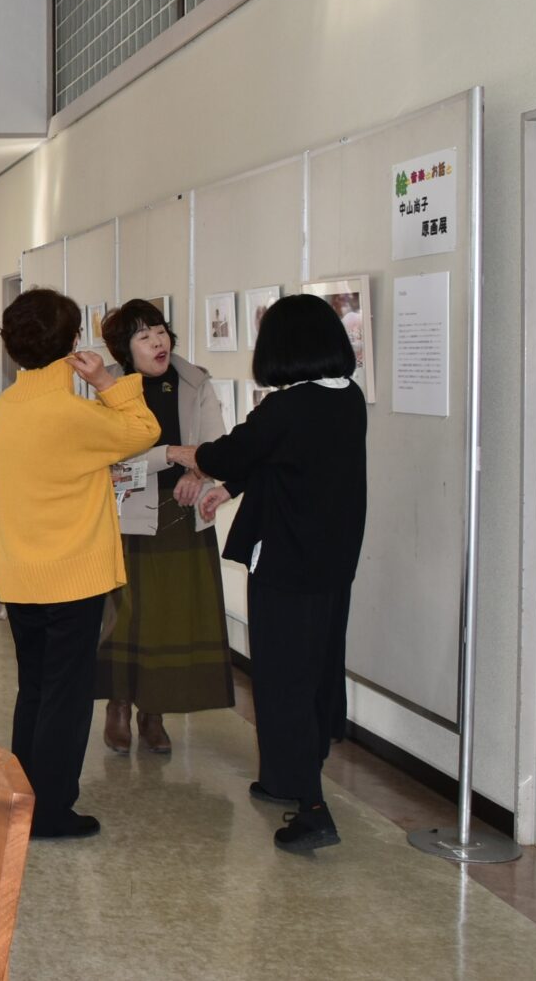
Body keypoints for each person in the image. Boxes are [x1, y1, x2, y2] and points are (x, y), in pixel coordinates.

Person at [166, 293, 368, 854]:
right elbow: (288, 461)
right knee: (317, 670)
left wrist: (179, 453)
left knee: (283, 681)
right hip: (331, 562)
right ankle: (285, 777)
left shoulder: (287, 407)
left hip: (286, 562)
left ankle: (313, 809)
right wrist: (229, 489)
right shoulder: (346, 398)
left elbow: (228, 454)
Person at [0, 288, 159, 841]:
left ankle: (25, 797)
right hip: (71, 575)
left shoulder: (7, 407)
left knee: (35, 688)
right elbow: (144, 430)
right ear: (73, 342)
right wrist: (106, 382)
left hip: (21, 572)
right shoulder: (71, 413)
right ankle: (52, 810)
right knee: (66, 696)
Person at [95, 299, 237, 755]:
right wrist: (170, 455)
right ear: (125, 349)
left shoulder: (195, 381)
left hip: (182, 515)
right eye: (144, 336)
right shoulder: (109, 388)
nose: (158, 341)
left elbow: (216, 444)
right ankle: (118, 705)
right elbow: (111, 463)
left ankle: (153, 713)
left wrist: (200, 471)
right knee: (125, 617)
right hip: (128, 516)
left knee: (171, 619)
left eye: (160, 331)